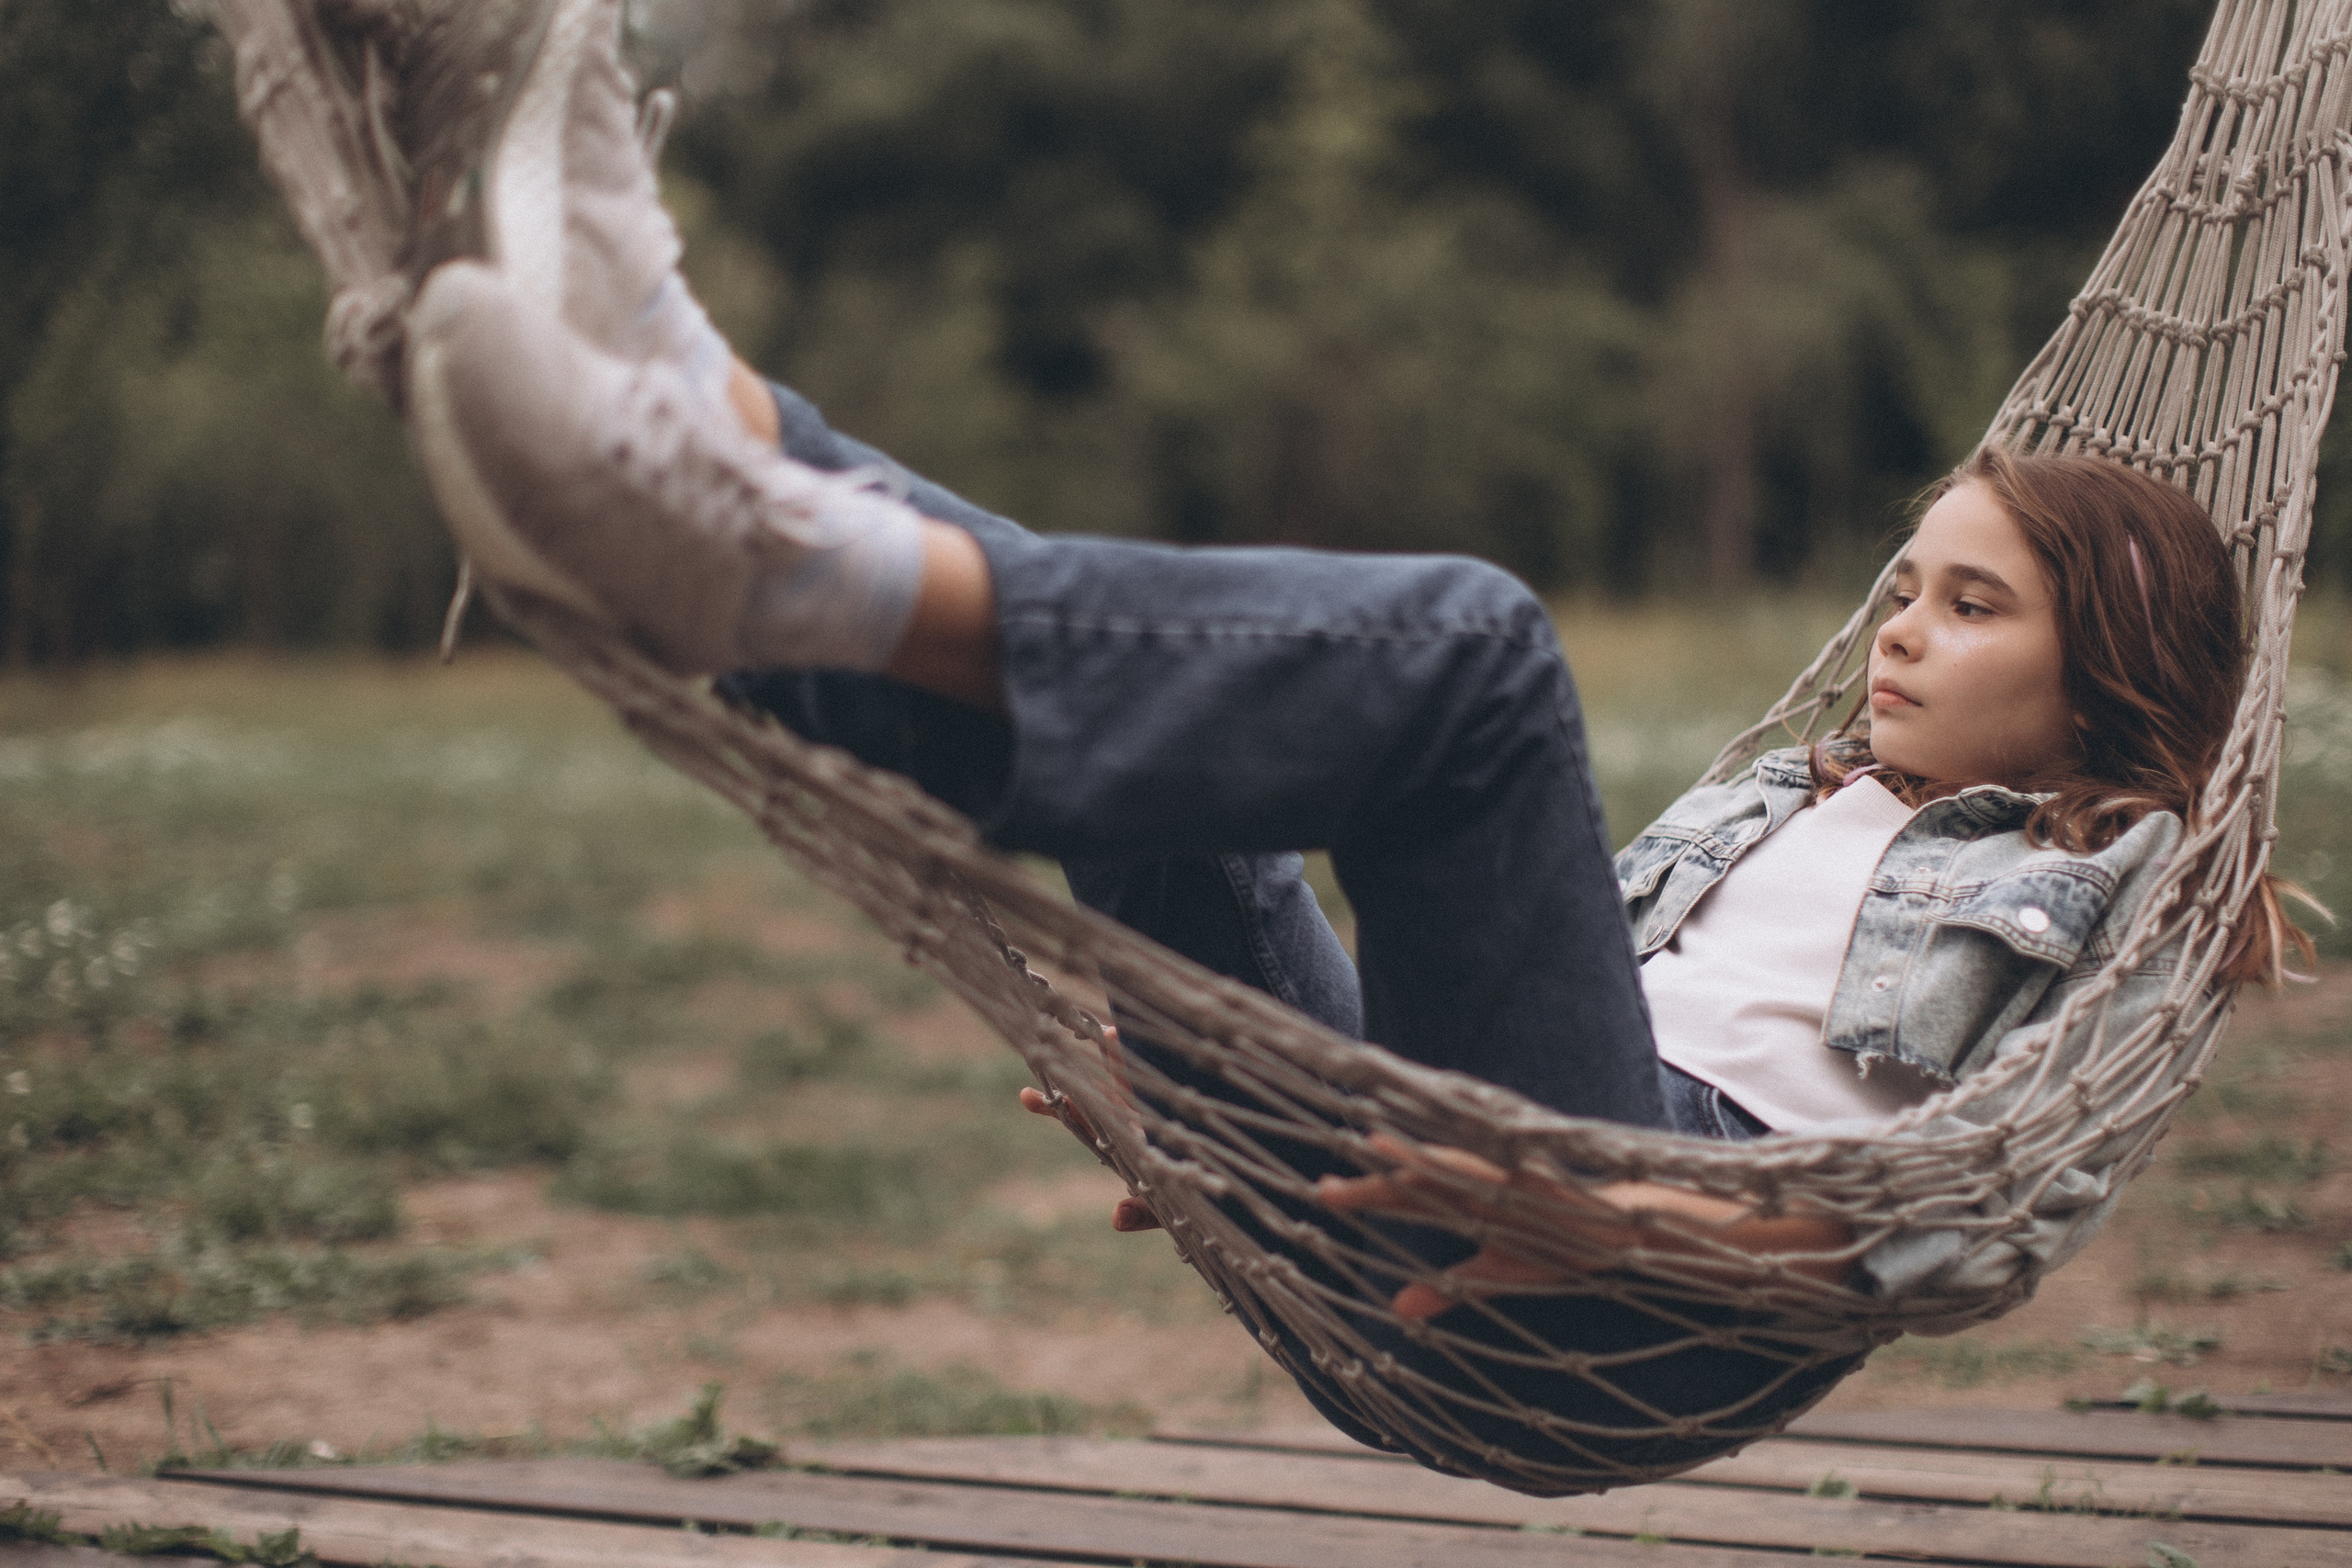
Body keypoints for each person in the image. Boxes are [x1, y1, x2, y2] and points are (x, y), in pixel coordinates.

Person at [345, 0, 2310, 1483]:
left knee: (1471, 665)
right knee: (1187, 778)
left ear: (2109, 673)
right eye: (1903, 580)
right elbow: (1505, 1011)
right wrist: (1238, 1104)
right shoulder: (1775, 800)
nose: (1898, 622)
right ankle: (683, 404)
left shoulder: (2123, 873)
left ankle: (739, 489)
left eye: (1971, 605)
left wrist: (1635, 1216)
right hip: (1446, 1222)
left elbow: (1981, 1206)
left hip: (1635, 1272)